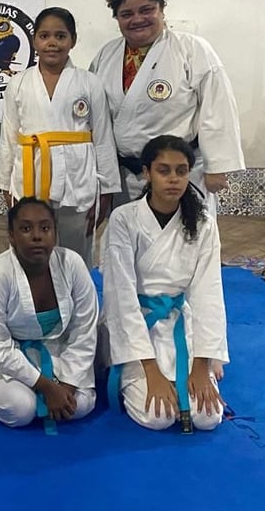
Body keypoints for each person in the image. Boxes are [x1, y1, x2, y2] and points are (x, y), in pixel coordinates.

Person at [101, 135, 228, 432]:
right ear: (147, 173)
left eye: (181, 171)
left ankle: (197, 369)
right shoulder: (124, 219)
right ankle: (138, 373)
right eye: (163, 170)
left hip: (180, 322)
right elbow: (120, 295)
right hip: (136, 324)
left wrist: (201, 364)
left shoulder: (203, 223)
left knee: (207, 417)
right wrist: (151, 370)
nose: (173, 179)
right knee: (157, 417)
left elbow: (208, 293)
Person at [90, 0, 244, 205]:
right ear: (117, 18)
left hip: (179, 174)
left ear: (162, 9)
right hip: (126, 176)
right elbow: (97, 119)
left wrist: (217, 166)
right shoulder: (106, 55)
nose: (137, 19)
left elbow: (217, 109)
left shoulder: (192, 49)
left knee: (184, 227)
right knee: (129, 227)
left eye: (146, 10)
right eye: (126, 14)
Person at [0, 7, 120, 268]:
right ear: (34, 40)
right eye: (44, 36)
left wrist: (107, 189)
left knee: (76, 251)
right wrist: (5, 183)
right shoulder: (18, 83)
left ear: (73, 40)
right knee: (30, 248)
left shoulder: (89, 83)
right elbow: (9, 136)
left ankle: (76, 291)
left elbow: (103, 137)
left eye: (60, 36)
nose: (52, 43)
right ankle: (31, 292)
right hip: (30, 173)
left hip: (77, 178)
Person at [0, 198, 98, 431]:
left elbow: (84, 329)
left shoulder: (72, 264)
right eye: (25, 229)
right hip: (7, 352)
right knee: (21, 410)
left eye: (45, 228)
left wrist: (67, 386)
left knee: (79, 406)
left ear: (55, 233)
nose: (37, 236)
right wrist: (47, 387)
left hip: (55, 346)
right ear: (11, 236)